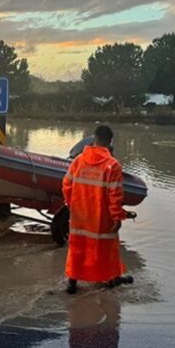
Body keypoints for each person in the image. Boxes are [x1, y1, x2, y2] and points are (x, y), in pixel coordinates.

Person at [62, 125, 134, 294]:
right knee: (106, 248)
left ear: (93, 140)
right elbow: (115, 195)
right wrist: (118, 217)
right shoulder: (112, 165)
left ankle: (72, 282)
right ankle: (111, 278)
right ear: (110, 142)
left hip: (80, 215)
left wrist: (72, 206)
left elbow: (66, 185)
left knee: (78, 247)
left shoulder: (78, 161)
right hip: (101, 217)